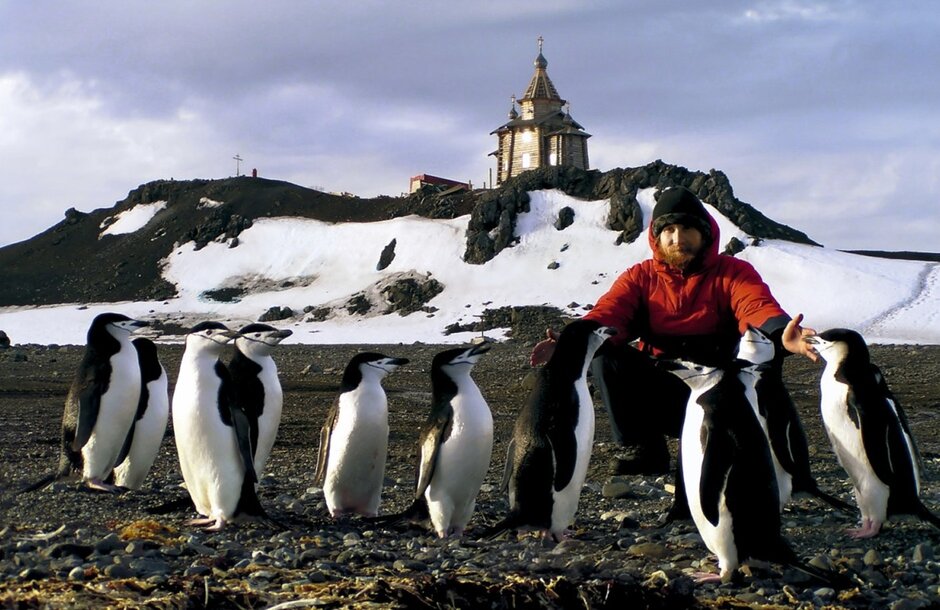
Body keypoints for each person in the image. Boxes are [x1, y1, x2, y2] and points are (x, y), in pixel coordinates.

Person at [530, 186, 818, 476]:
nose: (677, 239)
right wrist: (573, 343)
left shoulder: (731, 273)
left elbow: (756, 307)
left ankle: (724, 444)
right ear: (657, 236)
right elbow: (610, 314)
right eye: (669, 230)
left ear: (705, 233)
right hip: (659, 391)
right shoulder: (641, 277)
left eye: (688, 229)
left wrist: (781, 332)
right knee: (606, 357)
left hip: (715, 396)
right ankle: (644, 450)